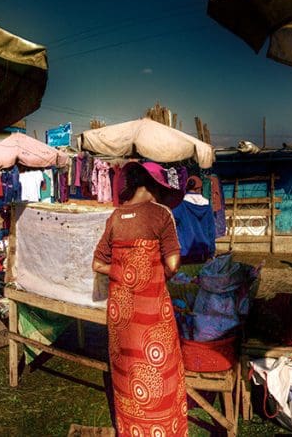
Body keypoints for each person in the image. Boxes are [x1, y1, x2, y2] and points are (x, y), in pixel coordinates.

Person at [93, 162, 185, 435]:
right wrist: (149, 273)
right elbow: (173, 264)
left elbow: (98, 264)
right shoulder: (161, 214)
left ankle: (132, 429)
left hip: (121, 313)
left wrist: (125, 271)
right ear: (153, 186)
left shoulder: (115, 217)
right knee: (159, 366)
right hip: (152, 311)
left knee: (127, 366)